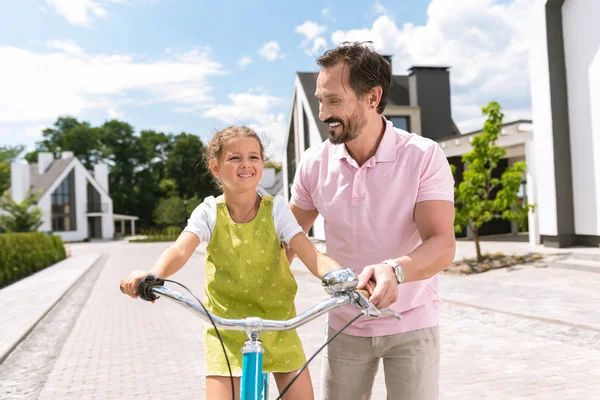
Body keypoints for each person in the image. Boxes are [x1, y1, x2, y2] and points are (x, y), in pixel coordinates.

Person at [120, 126, 344, 400]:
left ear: (262, 164)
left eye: (254, 157)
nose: (246, 164)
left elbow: (311, 254)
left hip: (278, 324)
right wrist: (153, 275)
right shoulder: (209, 212)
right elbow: (180, 249)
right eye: (234, 158)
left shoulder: (276, 210)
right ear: (215, 167)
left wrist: (339, 278)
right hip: (225, 327)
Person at [288, 42, 456, 400]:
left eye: (334, 100)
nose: (322, 113)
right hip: (344, 325)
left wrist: (394, 270)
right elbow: (286, 239)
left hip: (411, 322)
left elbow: (442, 244)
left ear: (372, 97)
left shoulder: (424, 156)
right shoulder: (313, 163)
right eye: (320, 100)